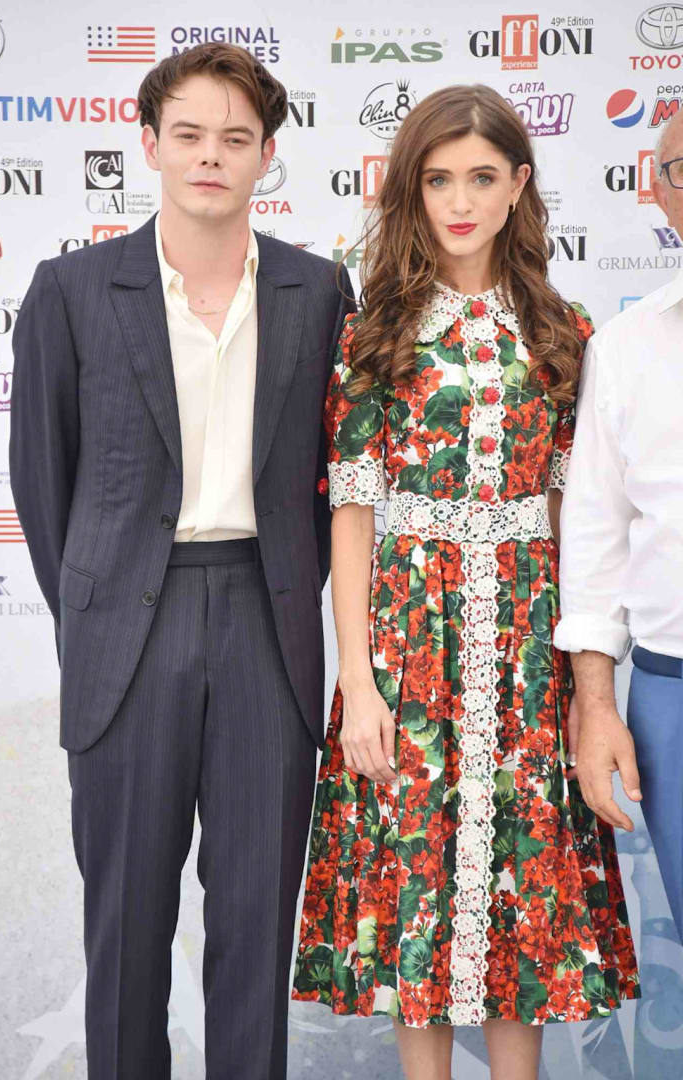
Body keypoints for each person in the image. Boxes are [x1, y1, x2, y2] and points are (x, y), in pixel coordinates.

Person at [9, 43, 354, 1080]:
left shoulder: (318, 290)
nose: (212, 155)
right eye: (191, 134)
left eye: (235, 139)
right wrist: (98, 610)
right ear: (151, 143)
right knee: (125, 928)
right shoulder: (72, 290)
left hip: (265, 624)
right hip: (125, 633)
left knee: (256, 923)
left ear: (267, 156)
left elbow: (333, 482)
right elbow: (43, 483)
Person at [292, 84, 640, 1080]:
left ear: (518, 185)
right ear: (411, 189)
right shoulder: (376, 330)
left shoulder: (563, 331)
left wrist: (577, 682)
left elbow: (578, 515)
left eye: (482, 177)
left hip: (528, 646)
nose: (460, 201)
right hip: (411, 643)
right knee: (419, 878)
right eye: (438, 179)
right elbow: (352, 515)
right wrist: (358, 680)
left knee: (521, 881)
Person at [555, 107, 683, 941]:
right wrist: (596, 704)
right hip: (672, 691)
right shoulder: (626, 348)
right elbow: (596, 537)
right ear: (659, 192)